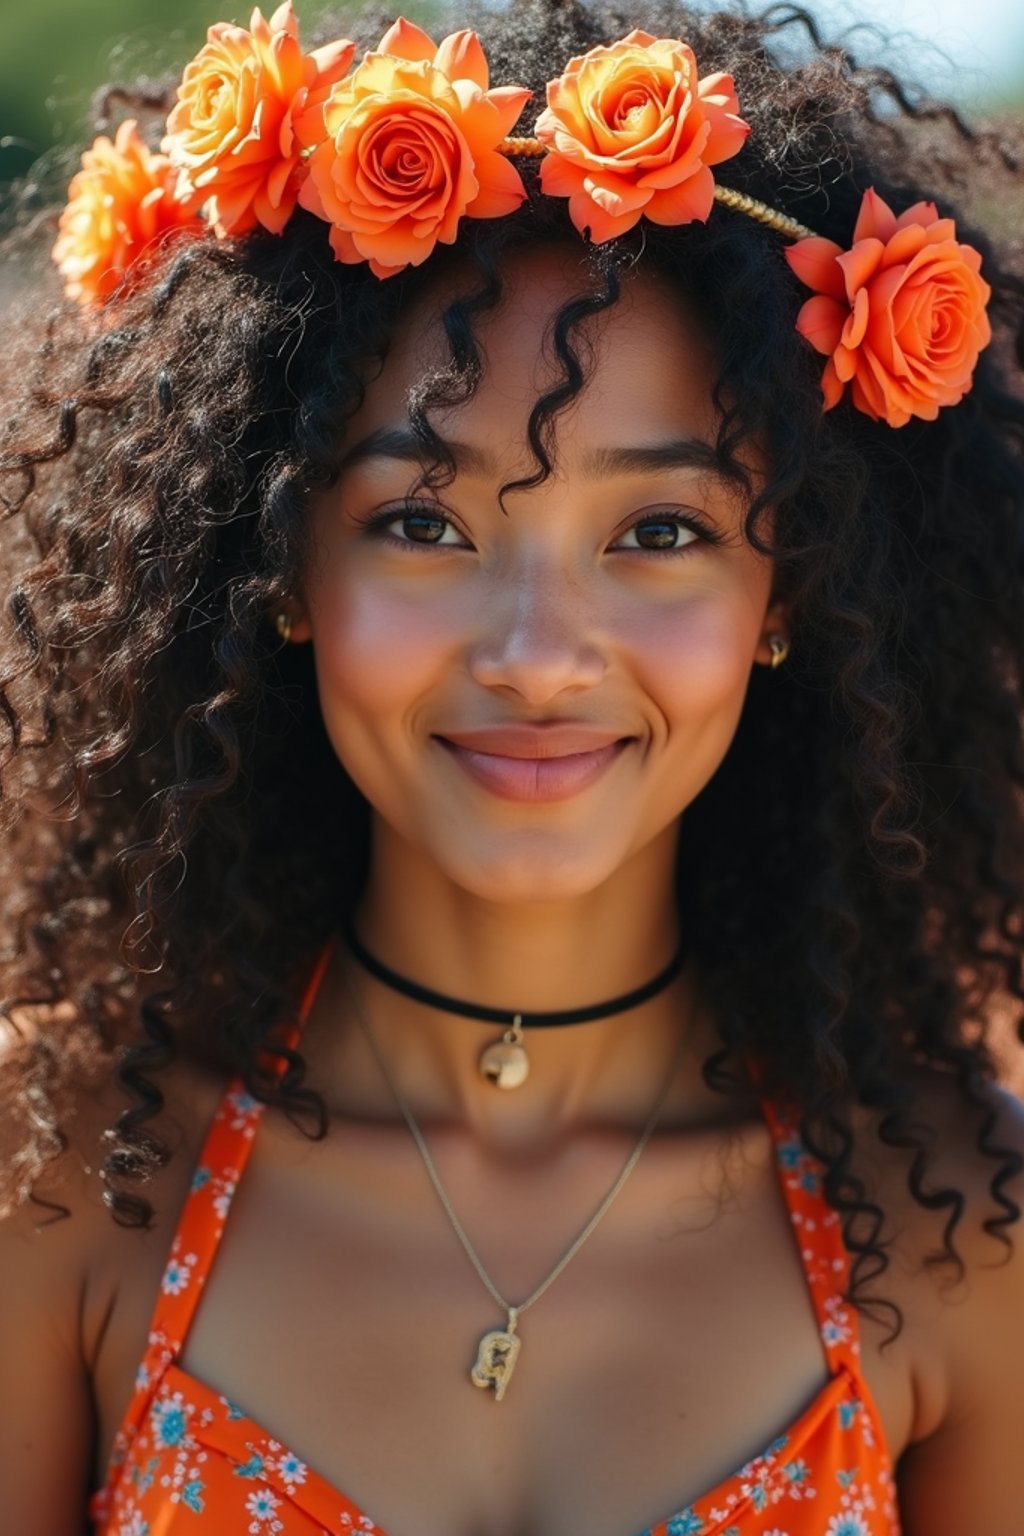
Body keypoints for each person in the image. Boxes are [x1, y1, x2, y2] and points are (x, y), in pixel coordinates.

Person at [1, 0, 1023, 1530]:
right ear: (275, 565)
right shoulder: (62, 1172)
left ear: (789, 595)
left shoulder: (961, 1233)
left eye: (659, 533)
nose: (538, 655)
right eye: (424, 522)